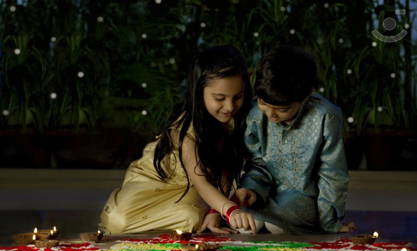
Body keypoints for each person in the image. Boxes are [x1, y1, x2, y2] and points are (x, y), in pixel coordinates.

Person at [99, 45, 257, 234]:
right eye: (220, 98)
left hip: (190, 190)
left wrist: (217, 211)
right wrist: (230, 210)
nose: (230, 107)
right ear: (199, 93)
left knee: (191, 218)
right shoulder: (187, 130)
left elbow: (225, 169)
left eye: (237, 97)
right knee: (118, 222)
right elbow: (202, 183)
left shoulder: (235, 120)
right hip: (156, 183)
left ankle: (202, 210)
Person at [233, 45, 355, 234]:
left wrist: (329, 223)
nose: (271, 115)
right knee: (247, 223)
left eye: (283, 110)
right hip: (265, 196)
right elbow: (257, 163)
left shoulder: (326, 116)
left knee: (277, 223)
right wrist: (251, 190)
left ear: (306, 97)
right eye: (264, 104)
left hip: (302, 198)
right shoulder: (256, 114)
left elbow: (332, 173)